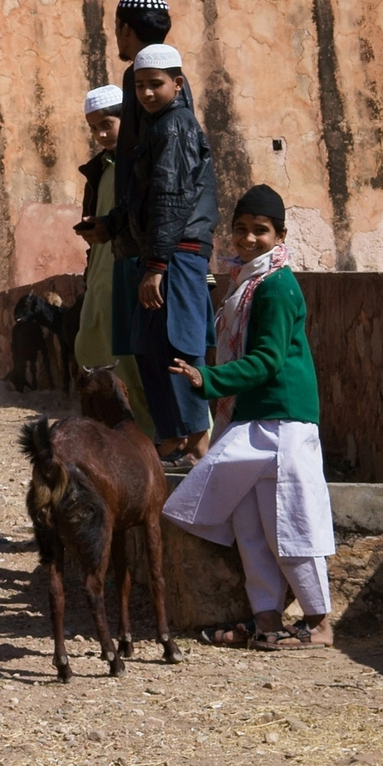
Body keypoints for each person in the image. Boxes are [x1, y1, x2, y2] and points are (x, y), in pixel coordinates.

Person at [164, 186, 334, 648]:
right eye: (240, 229)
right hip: (253, 417)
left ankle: (319, 624)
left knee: (291, 523)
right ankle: (268, 622)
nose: (248, 238)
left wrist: (208, 381)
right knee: (249, 523)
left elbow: (268, 360)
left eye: (260, 230)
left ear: (280, 235)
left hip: (283, 420)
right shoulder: (246, 282)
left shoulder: (276, 286)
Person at [114, 44, 217, 463]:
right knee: (149, 345)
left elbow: (172, 198)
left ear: (177, 83)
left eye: (155, 84)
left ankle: (197, 440)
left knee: (177, 345)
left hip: (176, 254)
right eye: (139, 86)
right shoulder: (158, 127)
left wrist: (156, 265)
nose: (146, 93)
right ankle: (174, 435)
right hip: (160, 254)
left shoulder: (175, 127)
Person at [69, 84, 153, 439]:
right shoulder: (101, 169)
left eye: (107, 124)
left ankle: (157, 438)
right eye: (93, 128)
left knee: (137, 363)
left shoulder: (140, 162)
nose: (100, 134)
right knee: (90, 349)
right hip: (101, 275)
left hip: (132, 272)